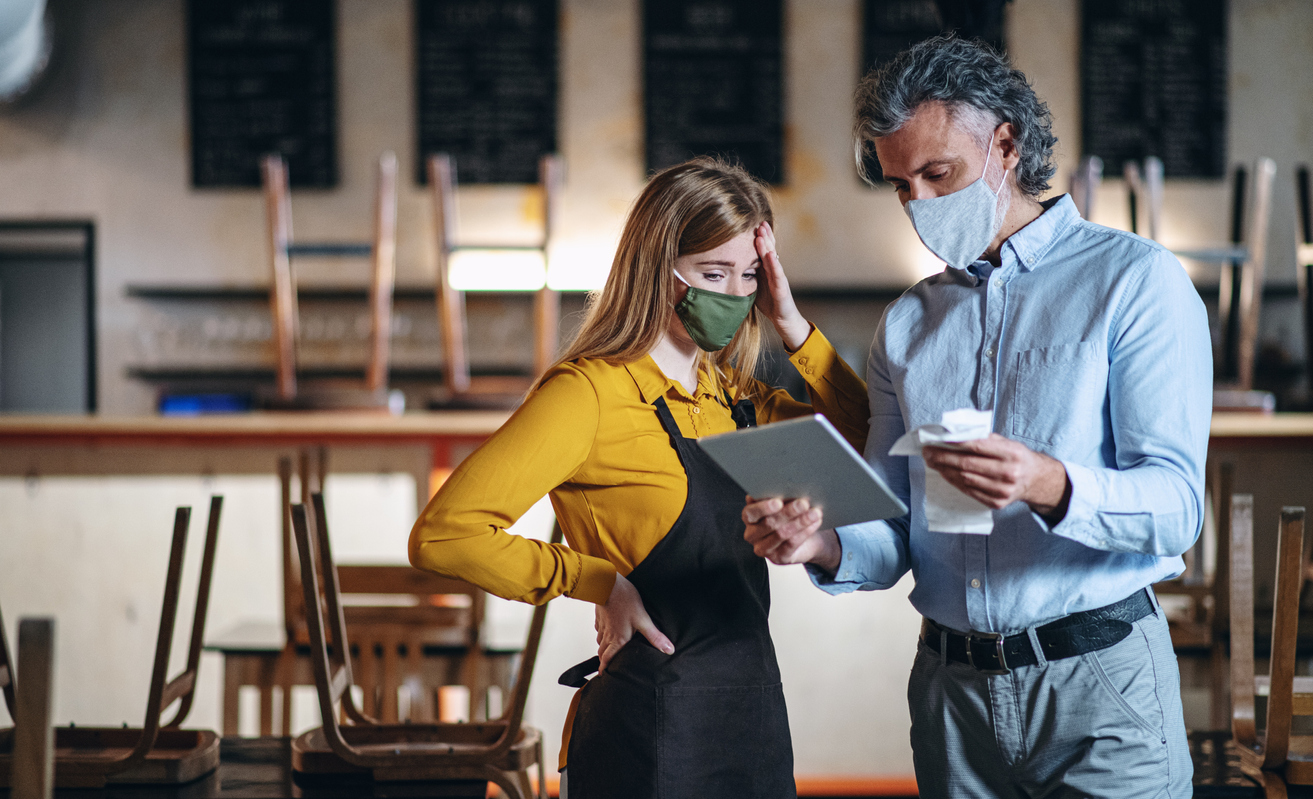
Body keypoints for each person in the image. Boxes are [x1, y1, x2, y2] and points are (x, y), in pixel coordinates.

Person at [743, 37, 1211, 798]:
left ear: (1005, 143)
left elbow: (1176, 507)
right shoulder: (909, 323)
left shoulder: (1134, 282)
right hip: (948, 692)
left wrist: (1047, 482)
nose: (920, 205)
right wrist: (821, 541)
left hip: (1099, 682)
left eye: (938, 173)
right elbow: (894, 526)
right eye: (900, 185)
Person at [408, 157, 869, 799]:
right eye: (713, 273)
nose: (733, 295)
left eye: (748, 276)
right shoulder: (587, 394)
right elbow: (444, 536)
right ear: (658, 267)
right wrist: (599, 581)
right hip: (648, 726)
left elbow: (865, 437)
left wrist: (791, 323)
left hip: (753, 718)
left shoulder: (732, 398)